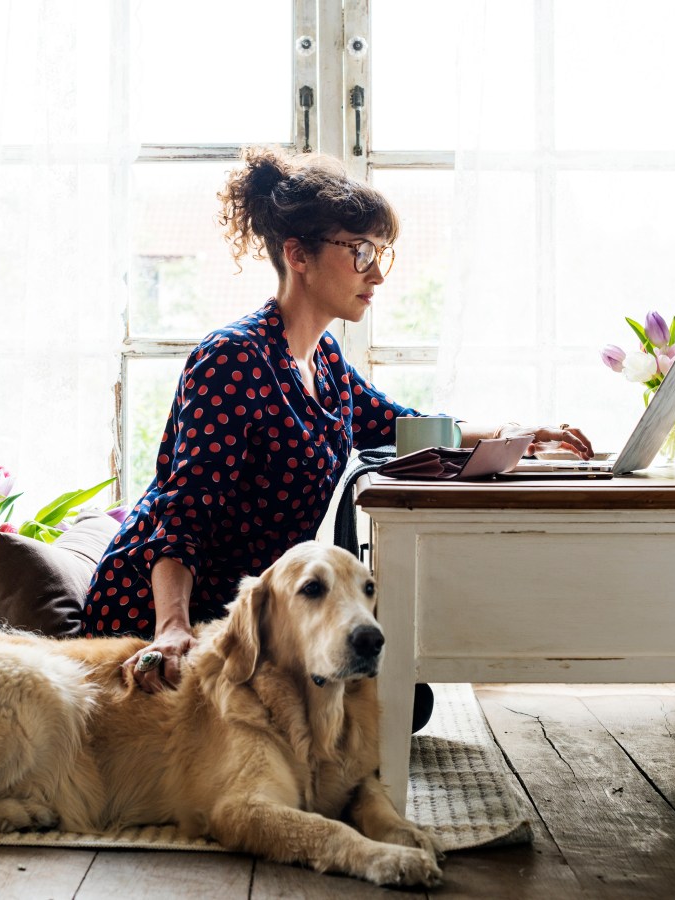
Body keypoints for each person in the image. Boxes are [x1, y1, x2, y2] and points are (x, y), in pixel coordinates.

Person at [82, 147, 593, 692]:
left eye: (381, 253)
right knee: (384, 696)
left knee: (398, 693)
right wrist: (172, 629)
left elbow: (406, 426)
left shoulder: (325, 362)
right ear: (298, 255)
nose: (376, 272)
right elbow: (182, 514)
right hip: (155, 613)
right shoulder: (232, 359)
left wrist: (519, 433)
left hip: (257, 619)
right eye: (360, 251)